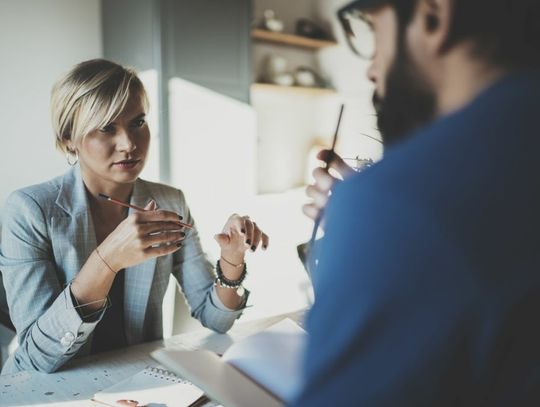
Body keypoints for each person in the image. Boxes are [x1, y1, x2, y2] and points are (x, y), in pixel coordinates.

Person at [296, 0, 540, 405]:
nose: (372, 69)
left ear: (433, 16)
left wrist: (378, 219)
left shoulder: (395, 207)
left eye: (376, 36)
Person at [0, 59, 269, 374]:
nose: (129, 144)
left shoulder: (170, 201)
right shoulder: (30, 210)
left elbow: (216, 318)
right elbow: (36, 357)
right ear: (68, 138)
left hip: (136, 381)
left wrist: (231, 261)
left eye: (138, 122)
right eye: (107, 127)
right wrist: (107, 260)